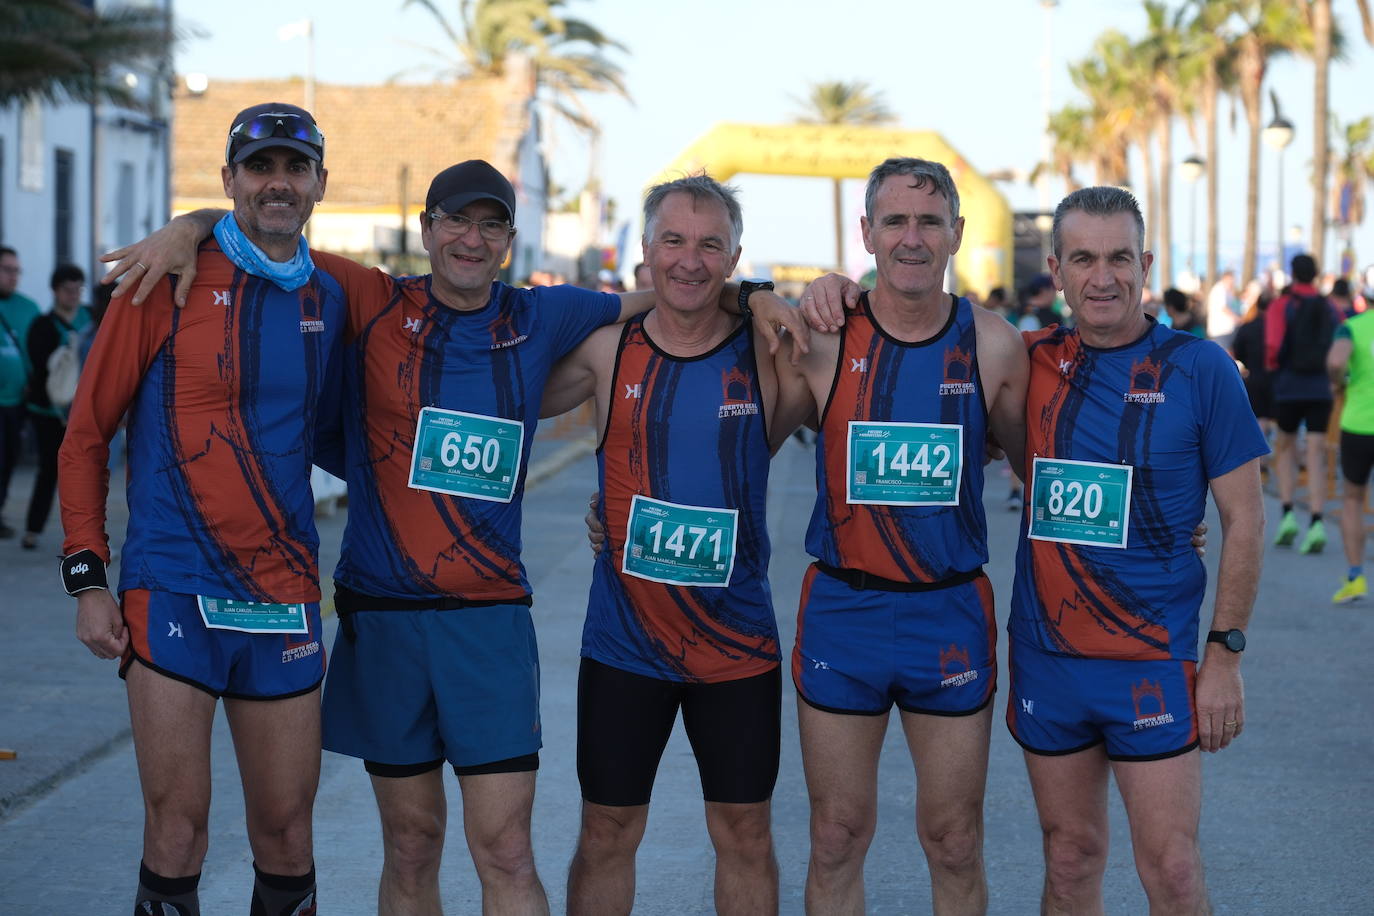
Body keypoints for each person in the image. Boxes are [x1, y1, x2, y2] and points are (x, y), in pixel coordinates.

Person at [112, 160, 806, 915]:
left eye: (491, 224)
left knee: (506, 849)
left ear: (509, 239)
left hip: (491, 623)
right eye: (456, 221)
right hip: (384, 618)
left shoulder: (544, 316)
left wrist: (754, 292)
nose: (471, 239)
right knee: (410, 845)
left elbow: (666, 291)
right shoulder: (373, 298)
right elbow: (270, 232)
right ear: (427, 229)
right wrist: (191, 225)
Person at [60, 102, 340, 916]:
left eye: (295, 168)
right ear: (230, 180)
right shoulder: (161, 281)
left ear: (322, 182)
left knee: (287, 831)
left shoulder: (338, 290)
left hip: (283, 600)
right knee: (177, 829)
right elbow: (84, 438)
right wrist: (87, 579)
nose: (278, 184)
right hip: (172, 586)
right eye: (260, 169)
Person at [541, 175, 813, 916]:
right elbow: (502, 389)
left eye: (709, 245)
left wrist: (759, 297)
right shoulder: (608, 349)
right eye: (673, 241)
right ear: (645, 249)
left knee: (745, 835)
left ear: (734, 257)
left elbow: (848, 369)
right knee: (607, 831)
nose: (689, 260)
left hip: (736, 644)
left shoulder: (765, 354)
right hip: (625, 645)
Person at [1007, 186, 1265, 912]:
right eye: (1083, 258)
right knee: (1069, 859)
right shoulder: (1027, 362)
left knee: (1173, 871)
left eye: (1120, 256)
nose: (1103, 276)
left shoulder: (1200, 368)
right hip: (1048, 658)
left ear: (1145, 263)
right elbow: (918, 320)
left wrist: (1225, 657)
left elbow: (1244, 520)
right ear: (1055, 269)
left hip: (1153, 658)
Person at [786, 157, 1030, 914]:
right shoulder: (823, 338)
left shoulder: (993, 346)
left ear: (957, 232)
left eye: (930, 222)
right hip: (843, 610)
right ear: (867, 233)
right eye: (895, 220)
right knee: (835, 834)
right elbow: (730, 445)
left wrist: (1166, 522)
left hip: (947, 612)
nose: (913, 238)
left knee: (954, 837)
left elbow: (1040, 470)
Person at [1265, 253, 1344, 554]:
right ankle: (1317, 521)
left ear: (1293, 274)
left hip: (1289, 386)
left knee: (1285, 448)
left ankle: (1287, 515)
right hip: (1320, 388)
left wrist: (1276, 369)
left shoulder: (1281, 305)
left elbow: (1273, 346)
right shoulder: (1330, 307)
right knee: (1316, 453)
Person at [22, 263, 92, 550]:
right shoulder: (42, 325)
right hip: (48, 412)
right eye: (68, 290)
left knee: (84, 474)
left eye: (78, 289)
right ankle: (33, 529)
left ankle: (84, 539)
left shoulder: (90, 317)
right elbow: (39, 368)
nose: (74, 295)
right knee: (49, 471)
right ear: (55, 291)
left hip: (82, 411)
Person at [1326, 302, 1374, 602]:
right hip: (1357, 424)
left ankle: (1356, 575)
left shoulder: (1353, 326)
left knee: (1353, 499)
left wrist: (1339, 383)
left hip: (1358, 423)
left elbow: (1335, 362)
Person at [0, 245, 41, 539]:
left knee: (7, 459)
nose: (13, 277)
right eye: (7, 270)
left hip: (16, 402)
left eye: (16, 271)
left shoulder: (29, 308)